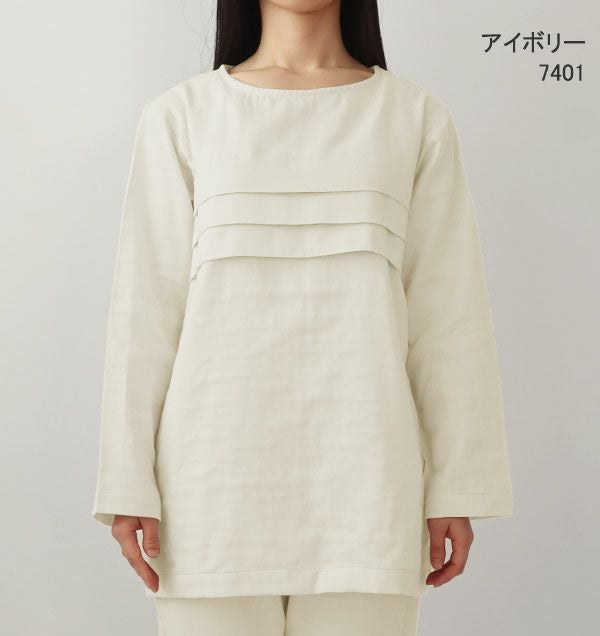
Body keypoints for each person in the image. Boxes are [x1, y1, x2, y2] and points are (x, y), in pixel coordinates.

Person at [91, 1, 514, 634]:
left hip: (369, 484)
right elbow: (144, 314)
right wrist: (127, 481)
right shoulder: (182, 116)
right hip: (208, 489)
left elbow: (448, 317)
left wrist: (458, 485)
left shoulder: (413, 117)